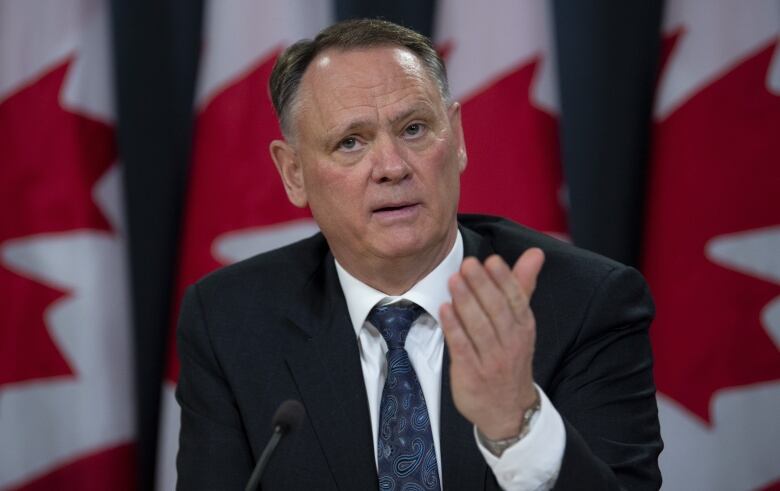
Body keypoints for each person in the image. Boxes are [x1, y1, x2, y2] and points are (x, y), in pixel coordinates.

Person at [175, 18, 662, 490]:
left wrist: (517, 424)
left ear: (458, 138)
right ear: (294, 173)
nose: (391, 166)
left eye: (413, 129)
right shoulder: (231, 322)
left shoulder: (585, 303)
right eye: (350, 142)